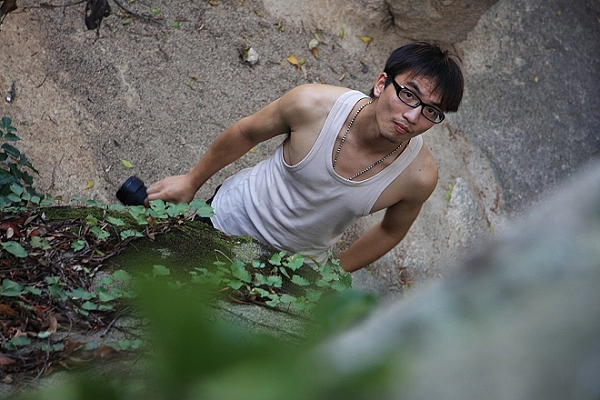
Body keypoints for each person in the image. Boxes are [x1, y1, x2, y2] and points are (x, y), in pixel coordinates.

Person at [146, 42, 464, 272]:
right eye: (408, 95)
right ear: (381, 84)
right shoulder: (312, 105)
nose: (412, 116)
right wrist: (191, 181)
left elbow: (391, 231)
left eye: (431, 111)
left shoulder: (419, 176)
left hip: (292, 269)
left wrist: (332, 275)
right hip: (229, 220)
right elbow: (246, 133)